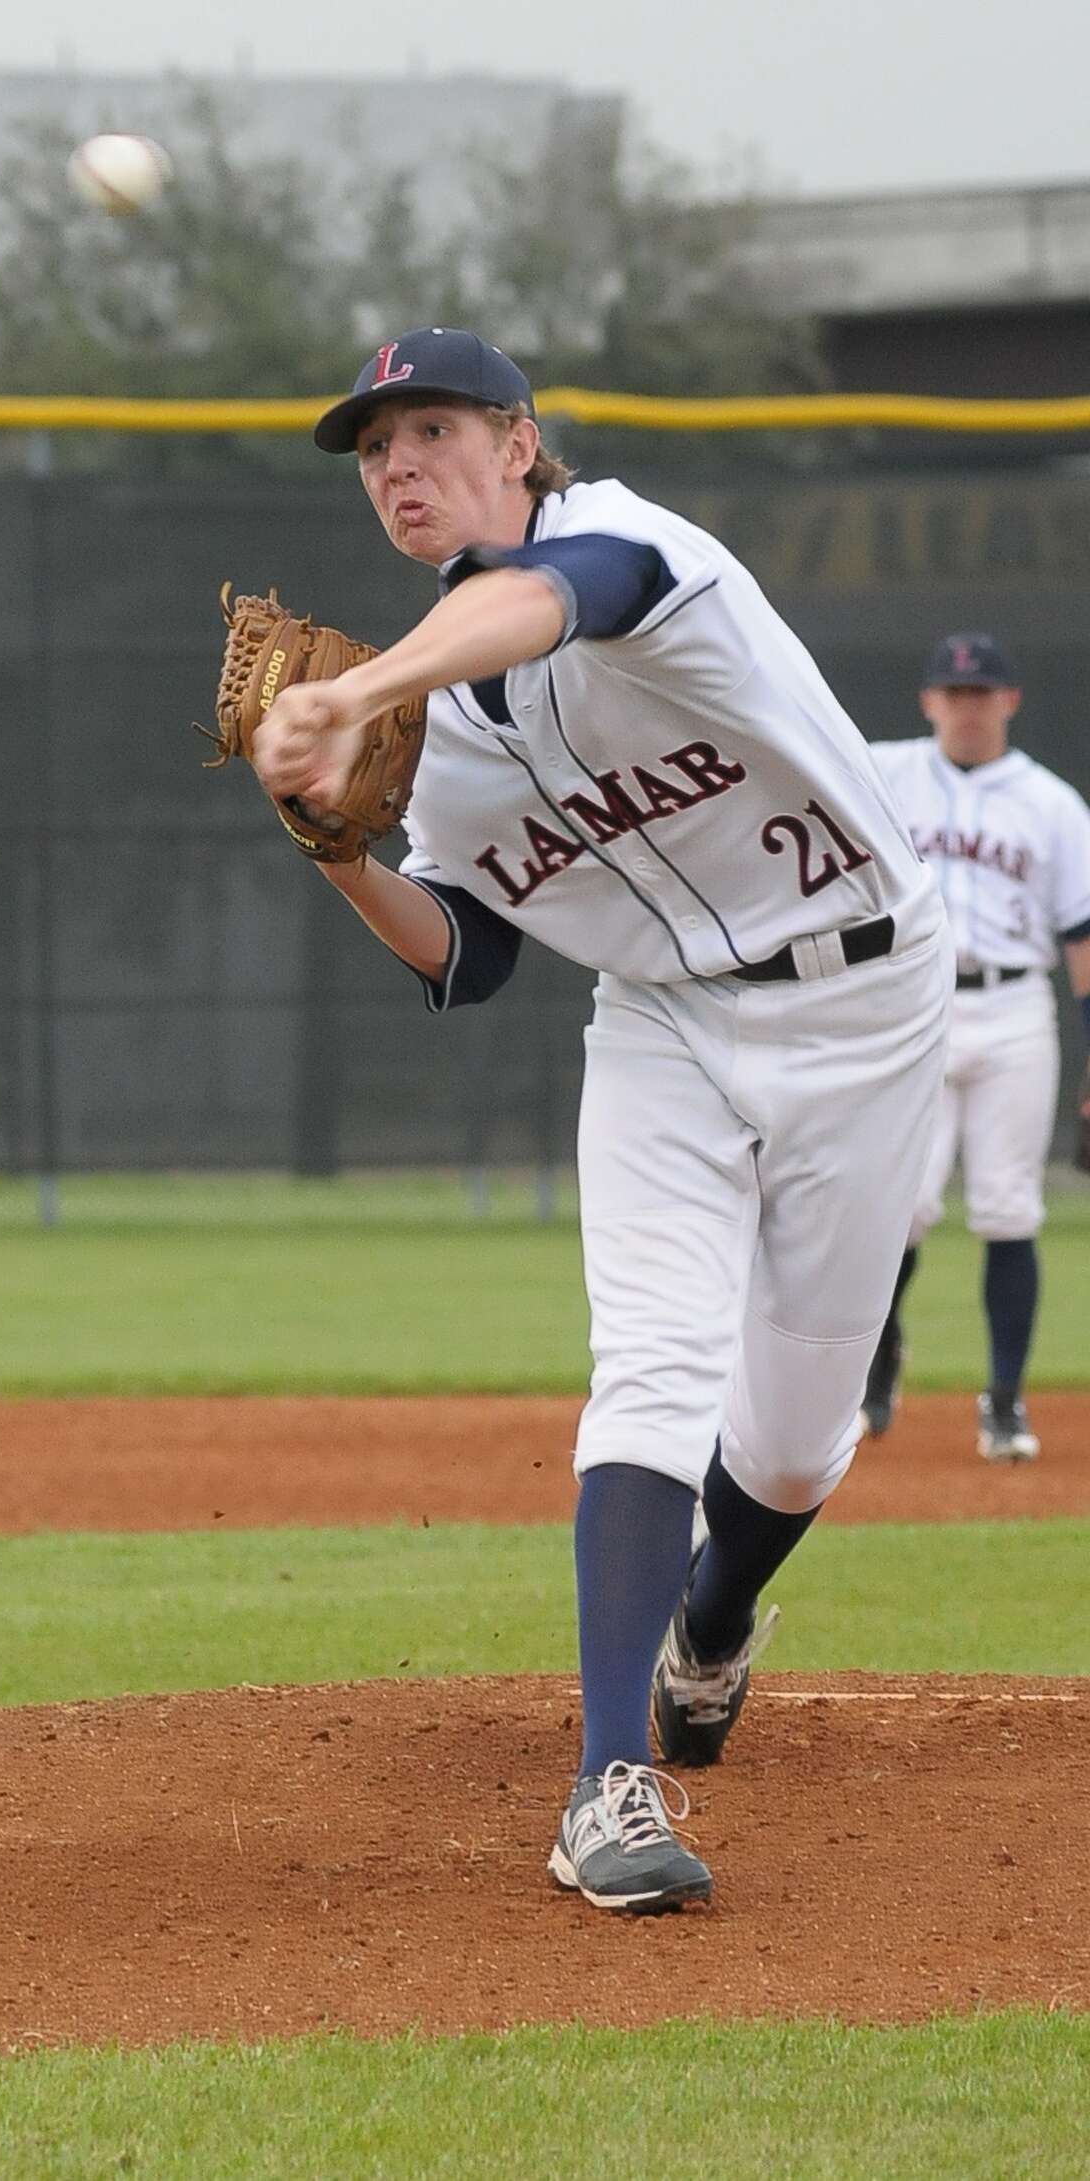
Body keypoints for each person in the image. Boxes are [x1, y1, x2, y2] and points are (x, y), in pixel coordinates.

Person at [251, 327, 954, 1915]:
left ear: (519, 440)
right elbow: (472, 952)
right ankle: (606, 1780)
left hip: (867, 995)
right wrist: (334, 848)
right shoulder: (442, 743)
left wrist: (356, 686)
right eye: (374, 451)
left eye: (429, 429)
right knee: (651, 1365)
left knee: (789, 1441)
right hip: (664, 1025)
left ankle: (717, 1621)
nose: (399, 466)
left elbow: (565, 602)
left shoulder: (634, 544)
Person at [860, 634, 1090, 1460]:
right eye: (954, 693)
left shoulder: (1053, 804)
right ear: (929, 701)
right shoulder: (880, 773)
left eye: (982, 692)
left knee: (1007, 1208)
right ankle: (876, 1358)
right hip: (907, 1008)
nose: (968, 706)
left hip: (1014, 1008)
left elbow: (1083, 937)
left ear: (1010, 700)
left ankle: (1005, 1401)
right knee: (900, 1209)